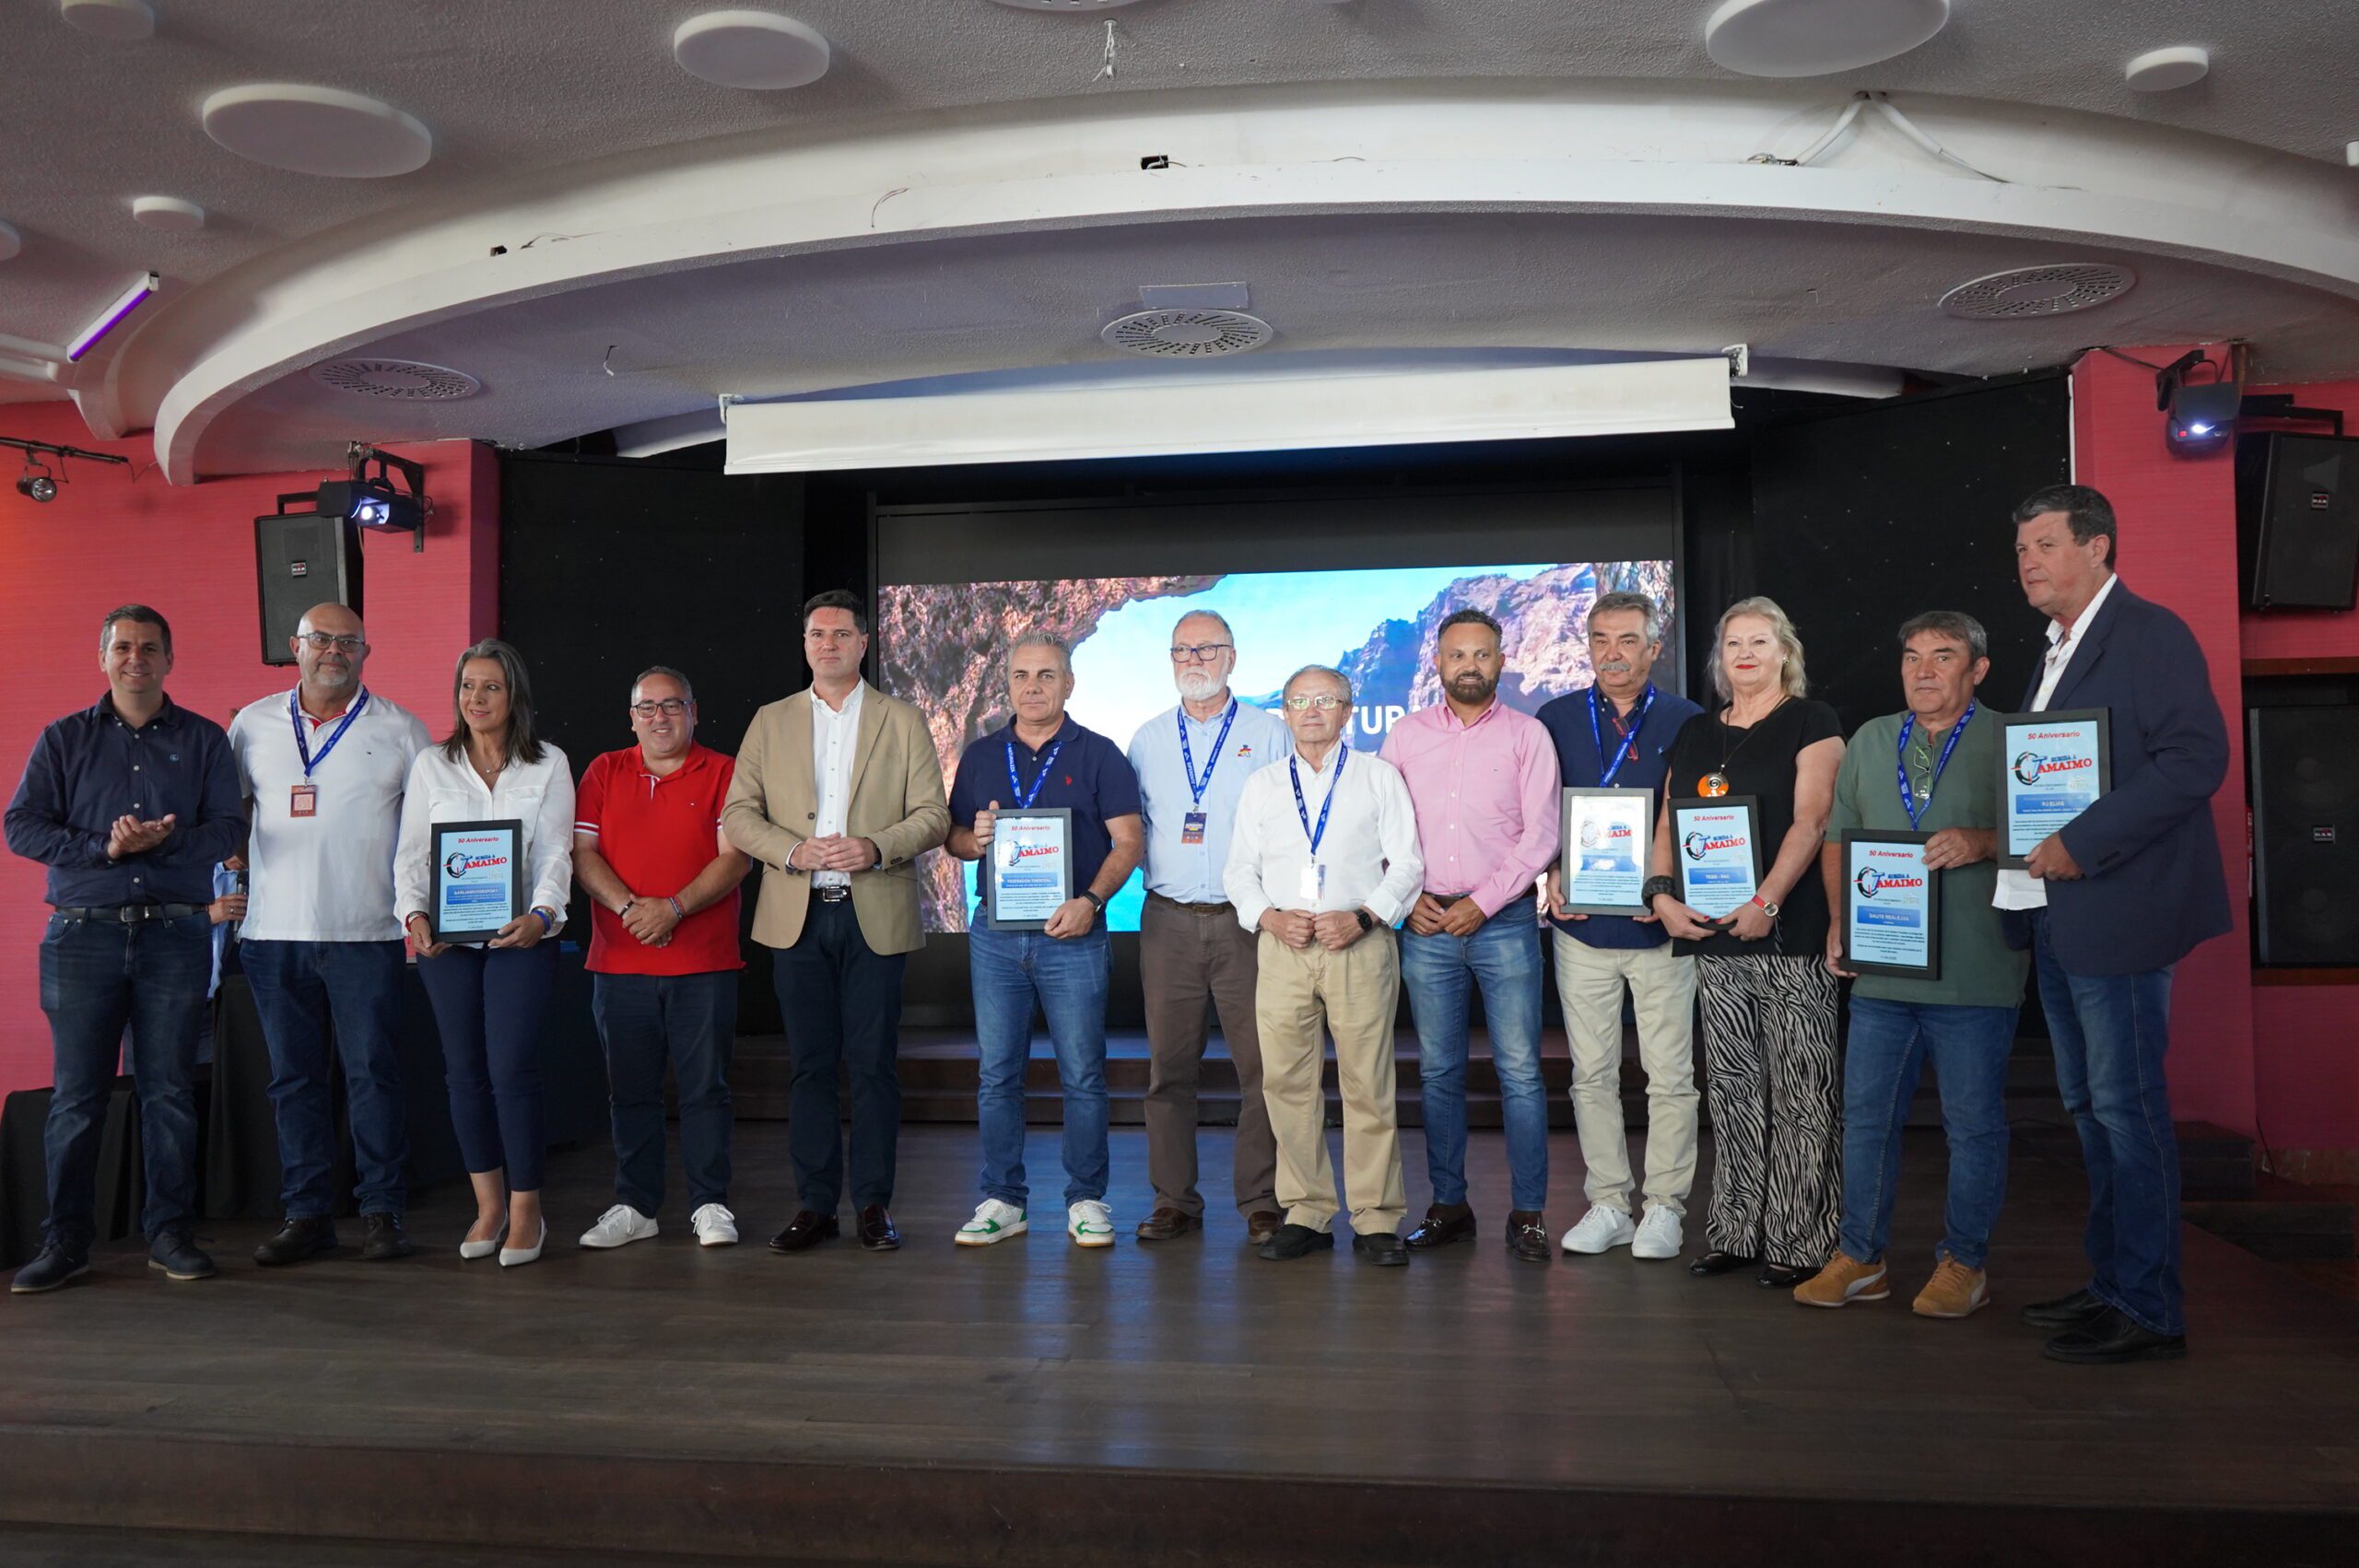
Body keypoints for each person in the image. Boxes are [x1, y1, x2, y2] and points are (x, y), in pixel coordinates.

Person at [1998, 484, 2227, 1364]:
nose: (2029, 563)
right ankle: (2114, 1286)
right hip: (2065, 917)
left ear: (2098, 548)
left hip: (2121, 910)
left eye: (2046, 545)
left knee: (2128, 1112)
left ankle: (2152, 1309)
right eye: (2022, 550)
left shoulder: (2149, 633)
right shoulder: (2057, 649)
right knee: (2092, 1110)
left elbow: (2196, 759)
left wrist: (2080, 845)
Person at [1794, 612, 2027, 1318]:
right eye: (1913, 658)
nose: (1924, 670)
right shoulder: (1871, 738)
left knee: (1973, 1127)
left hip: (1976, 972)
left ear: (1977, 670)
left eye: (1944, 656)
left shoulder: (2013, 740)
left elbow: (2057, 832)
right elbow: (1838, 837)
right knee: (1865, 1120)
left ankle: (1965, 1264)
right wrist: (1840, 920)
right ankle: (1860, 1256)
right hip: (1885, 972)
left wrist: (1985, 840)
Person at [6, 605, 244, 1293]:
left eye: (149, 648)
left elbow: (228, 825)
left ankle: (170, 1235)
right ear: (103, 657)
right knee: (77, 1098)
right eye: (123, 647)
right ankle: (66, 1243)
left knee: (169, 1092)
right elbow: (19, 826)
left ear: (170, 659)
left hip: (175, 933)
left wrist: (165, 841)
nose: (135, 658)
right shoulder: (63, 740)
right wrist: (102, 847)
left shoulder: (203, 741)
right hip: (83, 937)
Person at [722, 591, 948, 1254]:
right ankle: (815, 1204)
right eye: (816, 634)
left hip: (872, 909)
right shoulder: (770, 720)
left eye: (841, 634)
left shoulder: (902, 720)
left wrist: (875, 846)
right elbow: (739, 814)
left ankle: (874, 1204)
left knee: (875, 1065)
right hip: (797, 916)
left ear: (863, 643)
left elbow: (932, 814)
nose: (828, 644)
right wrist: (792, 850)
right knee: (809, 1066)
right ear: (804, 644)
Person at [1647, 597, 1845, 1289]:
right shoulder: (1698, 730)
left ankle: (1800, 1238)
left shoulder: (1812, 723)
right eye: (1734, 644)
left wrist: (1766, 901)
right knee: (1731, 1089)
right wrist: (1661, 894)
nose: (1746, 655)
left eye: (1760, 642)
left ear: (1784, 650)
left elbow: (1813, 820)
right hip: (1716, 943)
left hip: (1788, 937)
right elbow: (1669, 822)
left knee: (1801, 1092)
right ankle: (1735, 1230)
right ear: (1719, 658)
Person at [226, 602, 432, 1267]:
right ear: (297, 646)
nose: (333, 651)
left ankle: (382, 1214)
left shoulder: (402, 729)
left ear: (366, 651)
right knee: (293, 1081)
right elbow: (229, 815)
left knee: (374, 1076)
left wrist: (419, 912)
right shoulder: (252, 724)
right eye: (321, 639)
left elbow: (429, 835)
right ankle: (308, 1214)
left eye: (348, 641)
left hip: (367, 934)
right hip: (270, 934)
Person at [945, 636, 1144, 1248]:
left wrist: (1091, 903)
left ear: (1069, 683)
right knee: (997, 1074)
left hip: (1074, 936)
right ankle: (1003, 1199)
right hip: (996, 939)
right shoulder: (980, 756)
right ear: (1007, 683)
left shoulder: (1100, 754)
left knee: (1082, 1075)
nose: (1033, 686)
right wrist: (972, 841)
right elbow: (953, 839)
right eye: (1021, 675)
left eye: (1047, 675)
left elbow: (1129, 842)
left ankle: (1087, 1199)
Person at [1226, 665, 1424, 1267]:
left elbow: (1408, 865)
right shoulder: (1261, 784)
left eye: (1326, 700)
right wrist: (1268, 917)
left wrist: (1364, 918)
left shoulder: (1378, 777)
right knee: (1286, 1083)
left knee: (1367, 1083)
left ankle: (1376, 1219)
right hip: (1283, 945)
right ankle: (1307, 1212)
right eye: (1299, 701)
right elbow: (1239, 872)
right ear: (1284, 712)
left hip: (1357, 945)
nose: (1312, 711)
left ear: (1347, 710)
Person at [1380, 609, 1560, 1261]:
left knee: (1519, 1072)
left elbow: (1542, 834)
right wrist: (1408, 902)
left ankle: (1529, 1213)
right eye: (1458, 655)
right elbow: (1383, 831)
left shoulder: (1527, 735)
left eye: (1482, 655)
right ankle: (1449, 1206)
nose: (1470, 667)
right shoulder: (1403, 737)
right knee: (1438, 1072)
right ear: (1439, 663)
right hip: (1427, 924)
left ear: (1501, 661)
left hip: (1504, 921)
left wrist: (1482, 903)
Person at [1535, 590, 1705, 1262]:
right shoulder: (1554, 718)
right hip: (1582, 932)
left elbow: (1701, 821)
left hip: (1658, 930)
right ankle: (1609, 1202)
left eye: (1628, 640)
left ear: (1654, 648)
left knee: (1670, 1076)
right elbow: (1540, 813)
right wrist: (1551, 871)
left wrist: (1669, 887)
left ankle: (1664, 1207)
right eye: (1601, 640)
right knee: (1591, 1075)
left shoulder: (1690, 720)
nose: (1613, 653)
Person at [394, 639, 574, 1268]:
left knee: (510, 1070)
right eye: (468, 687)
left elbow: (555, 852)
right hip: (447, 942)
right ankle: (488, 1205)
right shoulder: (430, 766)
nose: (476, 698)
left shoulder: (548, 763)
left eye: (490, 687)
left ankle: (527, 1210)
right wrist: (414, 913)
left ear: (515, 695)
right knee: (463, 1073)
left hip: (523, 937)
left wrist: (543, 914)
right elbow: (412, 854)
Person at [572, 666, 752, 1252]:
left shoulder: (725, 770)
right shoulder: (604, 769)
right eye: (647, 708)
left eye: (672, 705)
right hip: (619, 964)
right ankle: (636, 1205)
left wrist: (672, 908)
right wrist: (631, 909)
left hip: (703, 962)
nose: (659, 717)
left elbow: (737, 859)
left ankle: (710, 1204)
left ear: (693, 712)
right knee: (630, 1091)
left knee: (707, 1090)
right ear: (632, 718)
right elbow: (583, 853)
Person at [1125, 610, 1286, 1244]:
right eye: (1181, 652)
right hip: (1167, 921)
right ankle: (1173, 1201)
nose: (1193, 662)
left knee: (1263, 1069)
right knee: (1169, 1071)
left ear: (1232, 657)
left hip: (1247, 923)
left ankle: (1262, 1201)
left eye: (1206, 650)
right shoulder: (1145, 740)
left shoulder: (1268, 733)